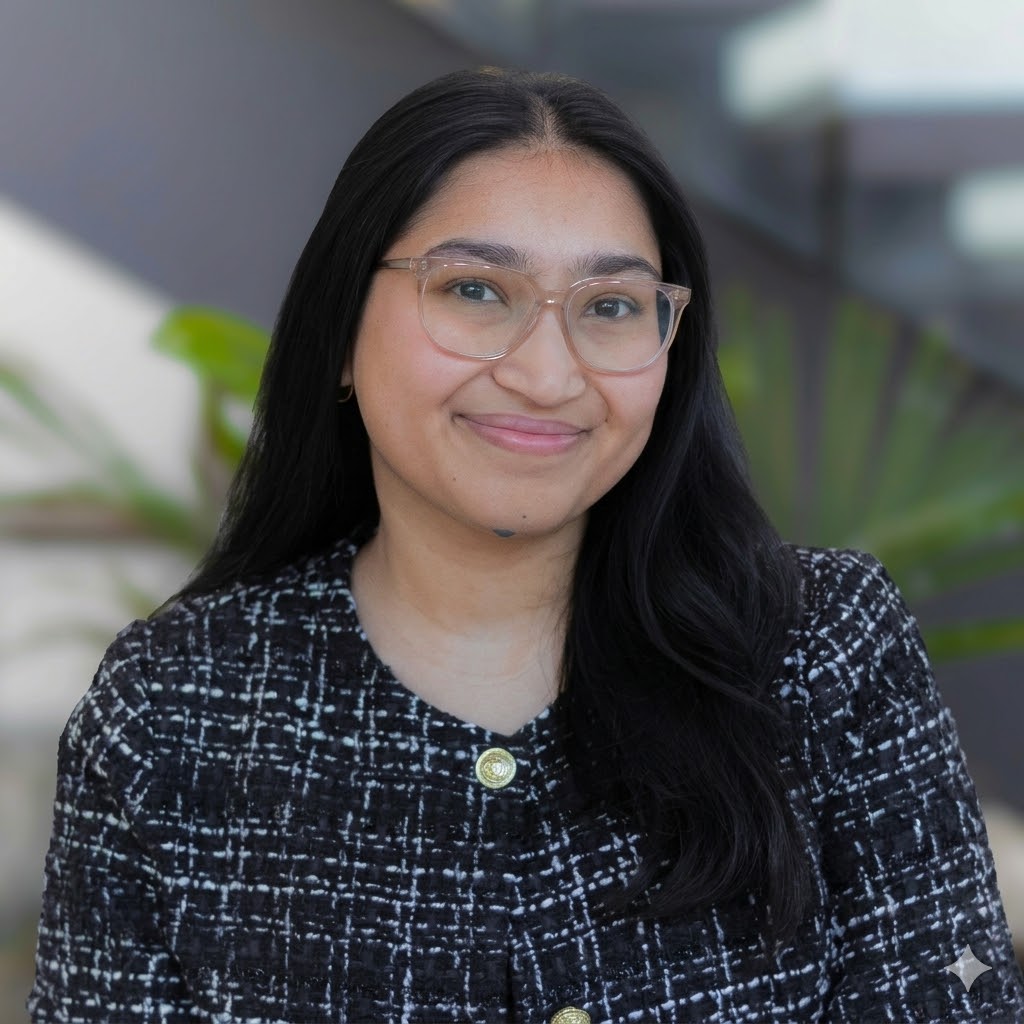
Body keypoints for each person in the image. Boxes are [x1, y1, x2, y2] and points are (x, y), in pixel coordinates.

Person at [28, 67, 1024, 1024]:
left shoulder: (823, 650)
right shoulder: (176, 709)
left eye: (610, 307)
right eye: (474, 290)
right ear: (338, 329)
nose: (548, 376)